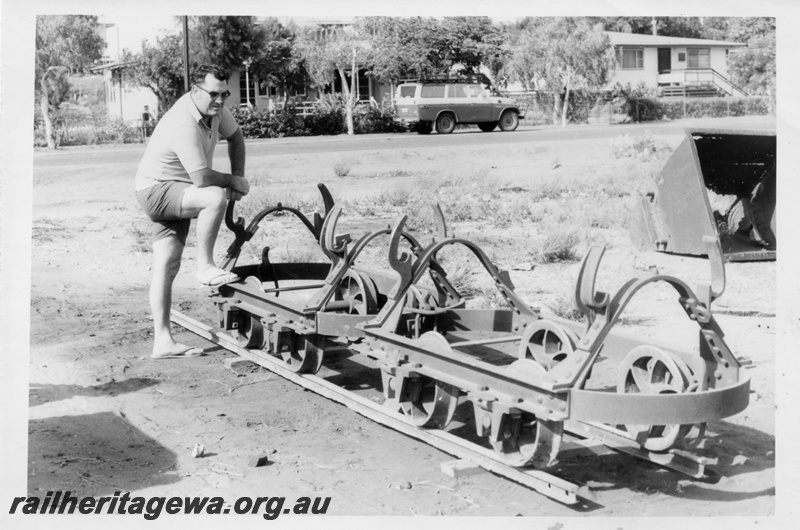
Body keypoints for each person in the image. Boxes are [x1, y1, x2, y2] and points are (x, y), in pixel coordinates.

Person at [135, 64, 250, 359]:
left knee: (167, 264)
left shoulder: (214, 109)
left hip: (177, 188)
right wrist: (232, 182)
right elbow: (201, 178)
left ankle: (162, 342)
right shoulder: (183, 122)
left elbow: (236, 137)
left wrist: (238, 176)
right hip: (156, 190)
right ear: (195, 91)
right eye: (213, 94)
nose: (220, 101)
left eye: (224, 94)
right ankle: (205, 266)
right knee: (213, 197)